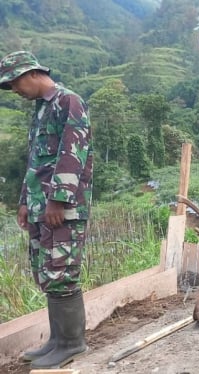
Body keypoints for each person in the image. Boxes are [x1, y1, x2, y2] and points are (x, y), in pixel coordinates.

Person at [0, 51, 92, 369]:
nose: (15, 90)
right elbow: (35, 162)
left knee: (62, 272)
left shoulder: (69, 102)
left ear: (33, 74)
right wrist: (25, 202)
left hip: (62, 208)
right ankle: (57, 340)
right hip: (42, 207)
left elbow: (72, 153)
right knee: (48, 272)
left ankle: (72, 343)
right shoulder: (41, 110)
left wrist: (58, 200)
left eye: (15, 83)